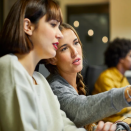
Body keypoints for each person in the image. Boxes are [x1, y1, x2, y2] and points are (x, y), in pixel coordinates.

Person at [0, 1, 116, 131]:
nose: (59, 34)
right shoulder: (10, 66)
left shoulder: (39, 80)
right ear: (28, 26)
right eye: (53, 25)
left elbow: (64, 126)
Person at [44, 23, 131, 128]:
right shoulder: (55, 87)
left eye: (76, 42)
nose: (75, 52)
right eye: (64, 48)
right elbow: (81, 109)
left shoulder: (72, 85)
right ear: (52, 58)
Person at [92, 38, 131, 122]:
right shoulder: (105, 78)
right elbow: (115, 106)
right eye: (130, 56)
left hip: (124, 117)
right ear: (121, 58)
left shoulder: (122, 77)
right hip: (112, 123)